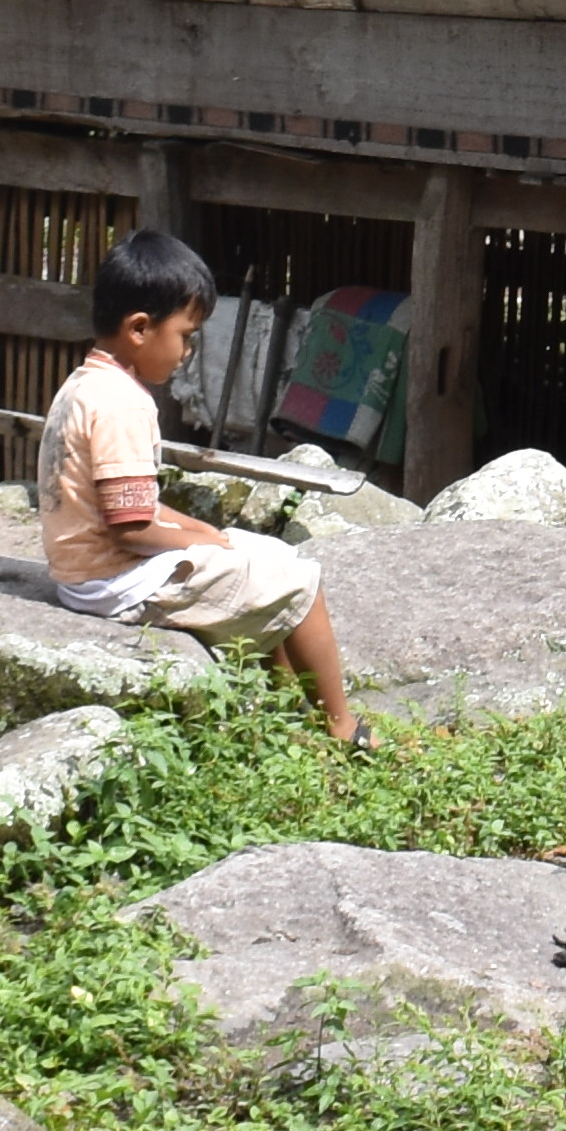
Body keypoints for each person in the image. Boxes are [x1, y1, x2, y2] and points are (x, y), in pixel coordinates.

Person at [43, 231, 363, 746]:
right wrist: (200, 543)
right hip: (118, 582)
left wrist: (207, 532)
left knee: (260, 559)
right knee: (300, 578)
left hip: (86, 574)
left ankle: (289, 717)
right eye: (186, 335)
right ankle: (343, 729)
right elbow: (131, 526)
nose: (189, 352)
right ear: (140, 329)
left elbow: (132, 503)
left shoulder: (84, 384)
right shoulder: (123, 404)